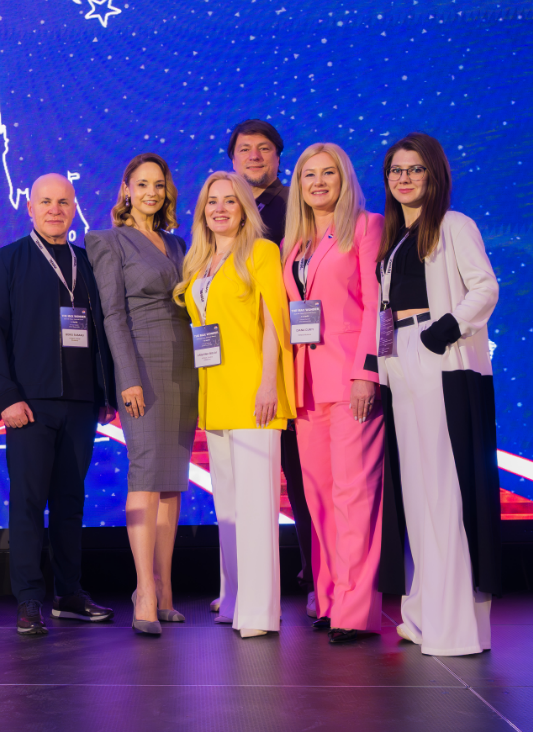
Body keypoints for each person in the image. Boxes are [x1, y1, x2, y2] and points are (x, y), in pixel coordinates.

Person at [0, 173, 118, 636]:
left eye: (63, 202)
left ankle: (69, 594)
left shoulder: (87, 261)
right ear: (30, 207)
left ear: (74, 207)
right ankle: (29, 599)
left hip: (81, 402)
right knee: (28, 502)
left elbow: (105, 330)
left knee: (71, 502)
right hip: (29, 404)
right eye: (46, 202)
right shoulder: (8, 261)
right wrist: (7, 397)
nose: (55, 210)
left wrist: (105, 391)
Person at [376, 132, 500, 656]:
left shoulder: (453, 225)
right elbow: (384, 310)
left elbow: (485, 287)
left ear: (434, 174)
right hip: (400, 360)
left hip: (439, 360)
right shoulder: (394, 238)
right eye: (396, 170)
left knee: (445, 489)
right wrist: (382, 363)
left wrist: (443, 331)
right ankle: (424, 613)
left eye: (415, 169)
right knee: (416, 491)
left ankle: (455, 626)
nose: (404, 178)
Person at [175, 171, 295, 639]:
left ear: (244, 207)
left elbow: (274, 321)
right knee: (228, 506)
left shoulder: (261, 252)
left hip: (253, 394)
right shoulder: (200, 261)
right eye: (212, 201)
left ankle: (260, 612)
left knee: (257, 506)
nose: (220, 208)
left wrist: (269, 385)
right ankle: (235, 598)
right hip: (215, 394)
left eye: (230, 200)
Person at [87, 154, 197, 636]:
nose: (151, 192)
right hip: (142, 369)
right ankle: (144, 591)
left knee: (172, 480)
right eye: (143, 184)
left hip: (185, 366)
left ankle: (165, 588)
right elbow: (112, 314)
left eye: (159, 184)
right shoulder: (107, 240)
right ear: (126, 189)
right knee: (146, 474)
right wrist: (126, 377)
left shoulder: (177, 243)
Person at [280, 143, 385, 644]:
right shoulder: (293, 242)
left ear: (344, 179)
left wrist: (368, 372)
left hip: (350, 381)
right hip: (305, 386)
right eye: (308, 175)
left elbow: (377, 306)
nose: (318, 183)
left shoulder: (366, 227)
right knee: (318, 498)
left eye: (328, 174)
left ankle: (355, 608)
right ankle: (326, 598)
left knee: (354, 495)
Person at [223, 119, 316, 617]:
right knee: (246, 486)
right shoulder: (225, 213)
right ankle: (244, 588)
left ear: (279, 156)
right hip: (239, 365)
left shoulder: (296, 204)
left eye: (264, 149)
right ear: (232, 158)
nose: (254, 156)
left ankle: (317, 577)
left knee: (303, 477)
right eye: (245, 149)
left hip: (295, 355)